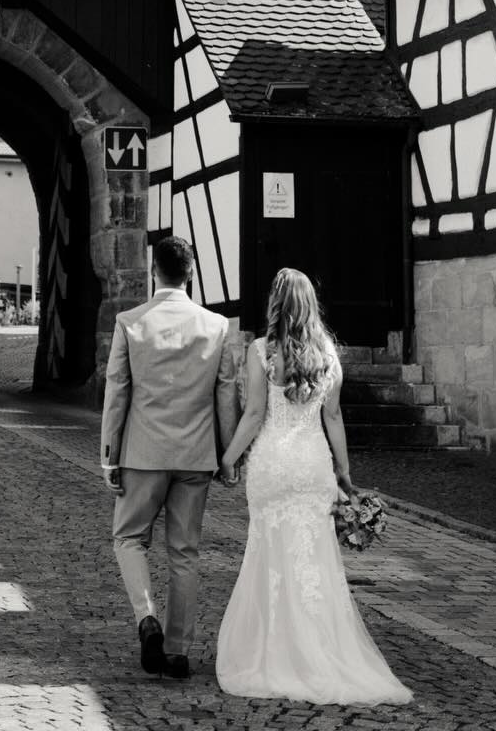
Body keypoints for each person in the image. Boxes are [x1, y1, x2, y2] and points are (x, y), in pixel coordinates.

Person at [215, 267, 411, 704]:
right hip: (311, 466)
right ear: (310, 306)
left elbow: (254, 415)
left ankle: (275, 651)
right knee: (316, 560)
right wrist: (343, 472)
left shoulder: (263, 351)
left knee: (269, 553)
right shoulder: (328, 354)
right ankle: (320, 652)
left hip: (272, 464)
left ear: (276, 305)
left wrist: (228, 459)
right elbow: (334, 418)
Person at [100, 235, 239, 681]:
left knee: (128, 539)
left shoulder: (131, 322)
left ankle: (147, 618)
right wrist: (227, 453)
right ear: (192, 271)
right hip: (196, 455)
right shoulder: (216, 326)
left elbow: (118, 391)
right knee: (185, 553)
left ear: (152, 269)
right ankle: (178, 652)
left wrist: (109, 455)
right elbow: (225, 396)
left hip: (142, 453)